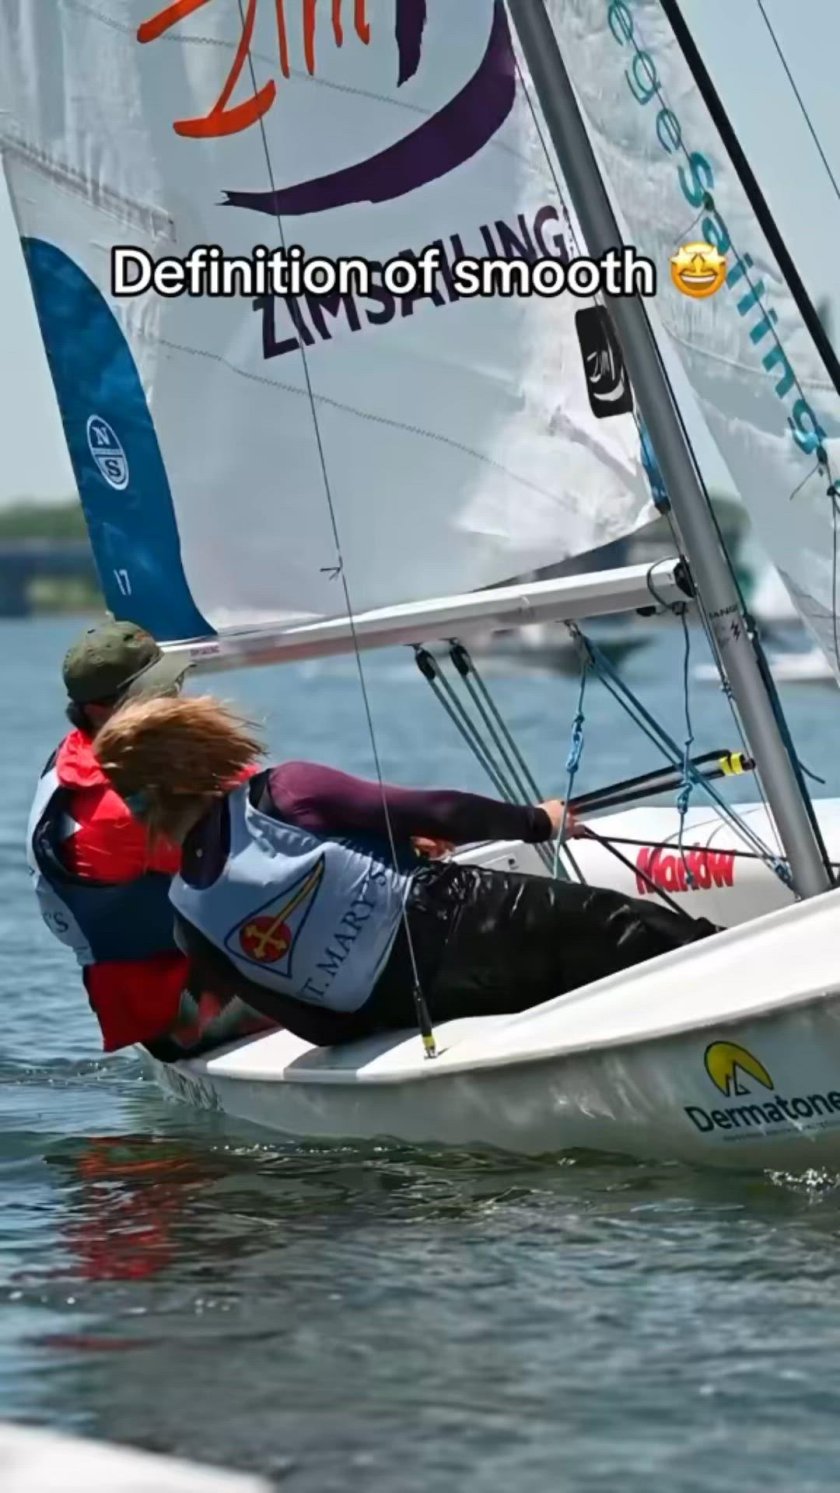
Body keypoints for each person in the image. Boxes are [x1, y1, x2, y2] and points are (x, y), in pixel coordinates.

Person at [91, 693, 719, 1049]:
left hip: (412, 1006)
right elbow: (439, 811)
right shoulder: (284, 792)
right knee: (653, 939)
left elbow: (312, 1023)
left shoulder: (189, 920)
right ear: (197, 753)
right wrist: (538, 821)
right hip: (474, 919)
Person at [26, 620, 272, 1059]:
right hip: (182, 1012)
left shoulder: (83, 751)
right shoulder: (121, 811)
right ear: (102, 711)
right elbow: (269, 847)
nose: (176, 694)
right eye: (159, 690)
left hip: (153, 988)